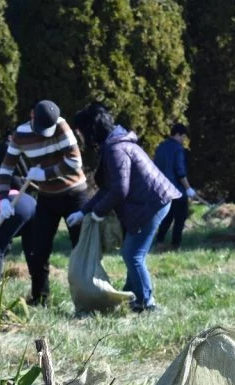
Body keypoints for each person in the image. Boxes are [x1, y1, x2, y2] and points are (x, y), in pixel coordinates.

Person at [69, 102, 180, 313]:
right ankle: (134, 296)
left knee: (132, 255)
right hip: (149, 202)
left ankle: (147, 304)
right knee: (134, 252)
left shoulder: (116, 149)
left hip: (153, 203)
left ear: (91, 130)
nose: (80, 137)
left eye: (81, 131)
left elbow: (120, 189)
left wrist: (98, 213)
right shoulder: (114, 145)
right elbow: (108, 188)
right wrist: (84, 212)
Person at [0, 100, 88, 306]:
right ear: (32, 116)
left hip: (74, 194)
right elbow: (6, 168)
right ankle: (40, 298)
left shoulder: (62, 126)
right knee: (39, 249)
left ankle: (86, 297)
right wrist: (3, 198)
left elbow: (75, 162)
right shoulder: (21, 134)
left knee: (81, 247)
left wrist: (45, 173)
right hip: (47, 197)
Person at [153, 122, 198, 250]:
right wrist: (188, 188)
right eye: (183, 137)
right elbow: (180, 171)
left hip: (162, 190)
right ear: (177, 134)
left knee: (166, 217)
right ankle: (175, 245)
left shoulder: (160, 147)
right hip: (177, 191)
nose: (183, 140)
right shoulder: (178, 149)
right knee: (180, 218)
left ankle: (159, 242)